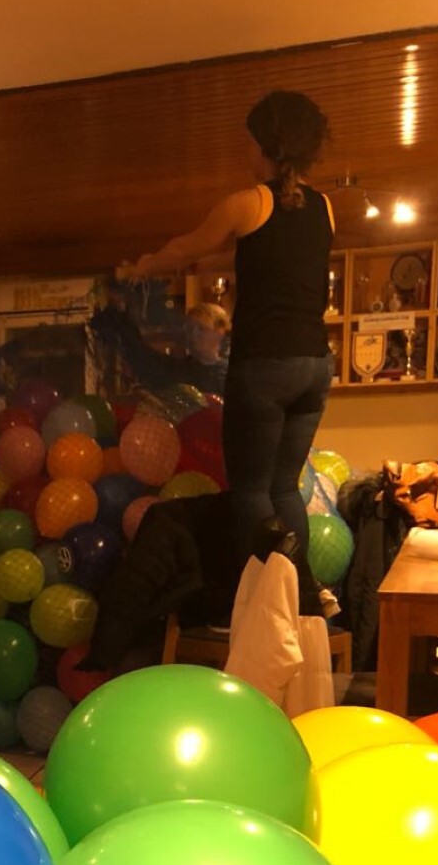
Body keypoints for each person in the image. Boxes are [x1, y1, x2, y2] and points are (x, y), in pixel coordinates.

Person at [132, 90, 334, 614]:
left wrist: (145, 265)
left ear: (266, 144)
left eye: (248, 141)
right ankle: (302, 600)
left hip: (265, 365)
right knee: (284, 488)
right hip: (315, 365)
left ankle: (263, 606)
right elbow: (280, 260)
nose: (245, 151)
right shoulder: (325, 207)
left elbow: (189, 246)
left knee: (250, 491)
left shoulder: (249, 203)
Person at [92, 297, 230, 397]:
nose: (193, 335)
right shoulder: (177, 370)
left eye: (201, 329)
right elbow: (143, 357)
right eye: (189, 330)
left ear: (219, 332)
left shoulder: (230, 375)